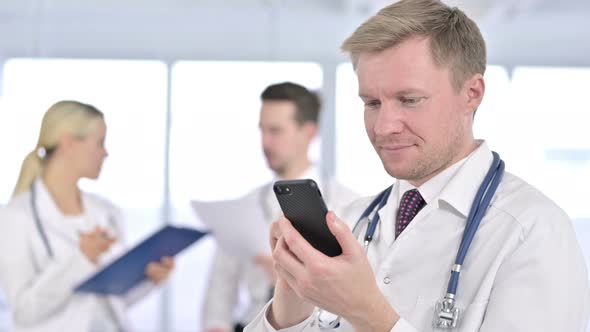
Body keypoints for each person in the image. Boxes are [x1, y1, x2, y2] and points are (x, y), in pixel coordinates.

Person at [244, 1, 590, 331]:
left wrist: (367, 313)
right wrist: (290, 304)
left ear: (472, 93)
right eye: (372, 102)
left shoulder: (534, 231)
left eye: (409, 100)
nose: (383, 126)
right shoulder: (351, 220)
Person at [0, 100, 175, 332]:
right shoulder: (15, 217)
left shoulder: (106, 212)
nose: (106, 153)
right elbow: (24, 310)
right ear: (68, 143)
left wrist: (150, 279)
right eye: (100, 143)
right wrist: (81, 259)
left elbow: (113, 301)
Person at [202, 82, 358, 332]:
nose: (265, 142)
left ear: (308, 132)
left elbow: (355, 299)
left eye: (275, 131)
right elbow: (219, 291)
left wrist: (295, 282)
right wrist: (216, 325)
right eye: (262, 130)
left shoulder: (350, 205)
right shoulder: (245, 206)